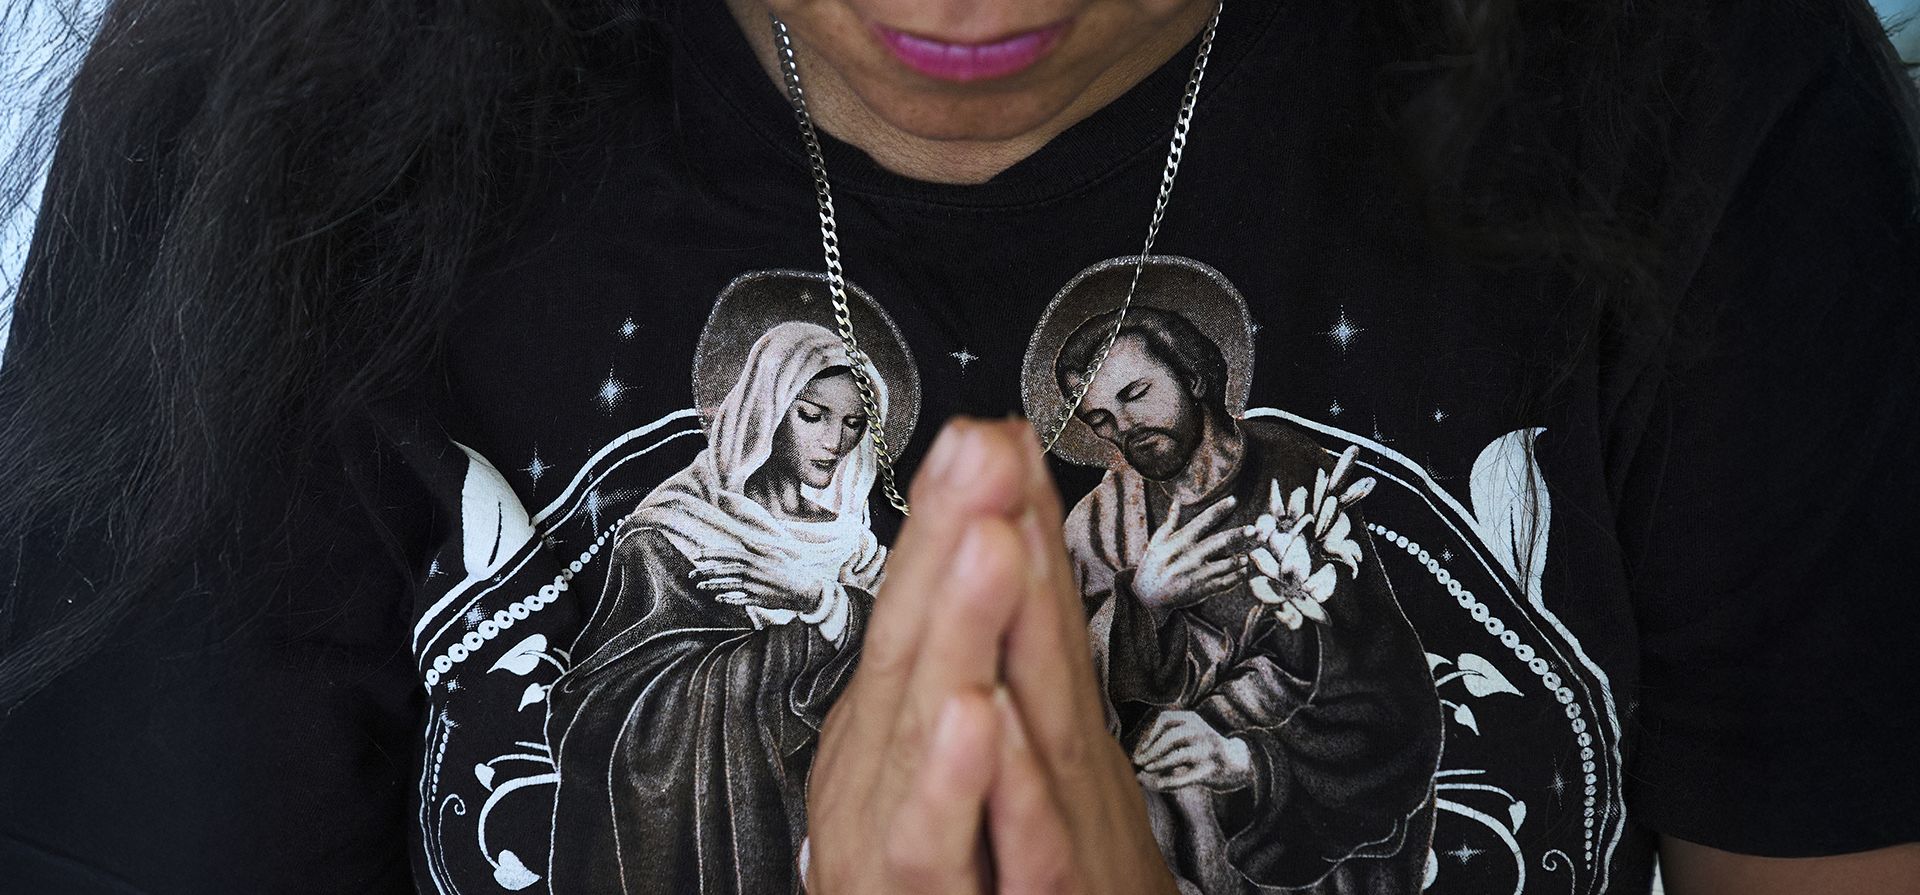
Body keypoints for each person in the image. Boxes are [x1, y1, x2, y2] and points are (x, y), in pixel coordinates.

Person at [1, 0, 1916, 893]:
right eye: (823, 415)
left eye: (1152, 407)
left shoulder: (1706, 109)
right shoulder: (254, 140)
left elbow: (1372, 720)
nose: (962, 3)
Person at [1054, 306, 1443, 893]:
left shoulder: (1297, 476)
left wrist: (1246, 761)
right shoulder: (1099, 527)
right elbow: (1067, 708)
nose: (1126, 427)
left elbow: (1383, 693)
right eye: (1101, 419)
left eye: (1136, 392)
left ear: (1193, 375)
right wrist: (1145, 604)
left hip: (1296, 818)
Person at [545, 321, 887, 893]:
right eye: (813, 415)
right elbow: (621, 700)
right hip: (728, 814)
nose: (836, 440)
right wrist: (804, 639)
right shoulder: (675, 528)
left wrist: (819, 601)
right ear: (765, 410)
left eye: (854, 423)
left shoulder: (850, 540)